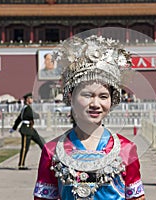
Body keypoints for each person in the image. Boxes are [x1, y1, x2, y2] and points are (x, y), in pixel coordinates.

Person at [33, 35, 145, 200]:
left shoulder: (126, 150)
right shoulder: (52, 151)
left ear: (111, 100)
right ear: (71, 96)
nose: (95, 104)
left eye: (103, 96)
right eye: (87, 95)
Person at [9, 92, 45, 170]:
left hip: (30, 129)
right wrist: (14, 128)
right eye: (31, 98)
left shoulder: (26, 108)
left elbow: (18, 119)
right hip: (26, 129)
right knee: (25, 148)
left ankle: (49, 160)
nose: (32, 100)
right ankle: (21, 164)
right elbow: (31, 115)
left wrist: (14, 128)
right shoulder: (27, 108)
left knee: (41, 142)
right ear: (27, 99)